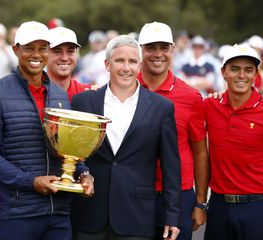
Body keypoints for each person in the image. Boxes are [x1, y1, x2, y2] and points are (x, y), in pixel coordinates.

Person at [0, 21, 94, 240]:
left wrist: (84, 173)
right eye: (29, 48)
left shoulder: (59, 95)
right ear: (16, 50)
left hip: (58, 212)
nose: (36, 54)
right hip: (18, 214)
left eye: (43, 48)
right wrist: (30, 181)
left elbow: (69, 148)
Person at [70, 34, 181, 240]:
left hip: (136, 217)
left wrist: (172, 215)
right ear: (107, 64)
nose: (126, 67)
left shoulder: (161, 107)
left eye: (132, 61)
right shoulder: (83, 103)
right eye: (119, 60)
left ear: (139, 65)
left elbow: (171, 168)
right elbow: (72, 156)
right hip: (88, 213)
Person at [137, 21, 209, 240]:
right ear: (141, 50)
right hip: (135, 195)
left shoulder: (190, 97)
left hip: (178, 196)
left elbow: (200, 152)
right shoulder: (125, 90)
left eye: (164, 47)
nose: (158, 54)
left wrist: (200, 202)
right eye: (151, 47)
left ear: (173, 50)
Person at [203, 44, 263, 240]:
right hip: (219, 206)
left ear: (255, 74)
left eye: (248, 70)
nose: (242, 75)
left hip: (257, 207)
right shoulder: (210, 105)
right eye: (235, 68)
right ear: (223, 72)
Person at [47, 26, 91, 101]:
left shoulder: (89, 93)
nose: (64, 58)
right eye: (57, 51)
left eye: (70, 51)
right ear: (45, 54)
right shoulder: (32, 92)